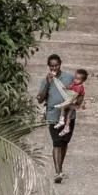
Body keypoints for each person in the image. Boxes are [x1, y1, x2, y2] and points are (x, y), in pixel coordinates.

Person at [32, 53, 77, 181]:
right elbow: (40, 99)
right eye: (52, 66)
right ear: (48, 66)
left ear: (60, 65)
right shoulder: (45, 80)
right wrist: (47, 83)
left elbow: (78, 92)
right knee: (57, 142)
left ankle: (60, 169)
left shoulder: (69, 78)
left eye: (56, 65)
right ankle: (57, 172)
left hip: (69, 115)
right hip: (53, 115)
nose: (54, 68)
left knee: (64, 142)